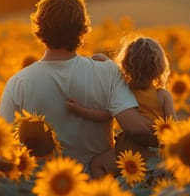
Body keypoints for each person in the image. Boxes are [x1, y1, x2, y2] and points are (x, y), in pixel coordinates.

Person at [0, 0, 156, 174]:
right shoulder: (106, 72)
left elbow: (2, 147)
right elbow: (136, 127)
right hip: (99, 195)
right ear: (83, 28)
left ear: (39, 27)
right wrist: (174, 133)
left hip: (42, 192)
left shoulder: (19, 83)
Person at [66, 36, 177, 178]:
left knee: (97, 165)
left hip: (127, 150)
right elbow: (173, 127)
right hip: (155, 153)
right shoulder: (163, 96)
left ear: (125, 65)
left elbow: (104, 115)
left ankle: (110, 195)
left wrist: (79, 110)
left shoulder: (124, 91)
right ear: (160, 67)